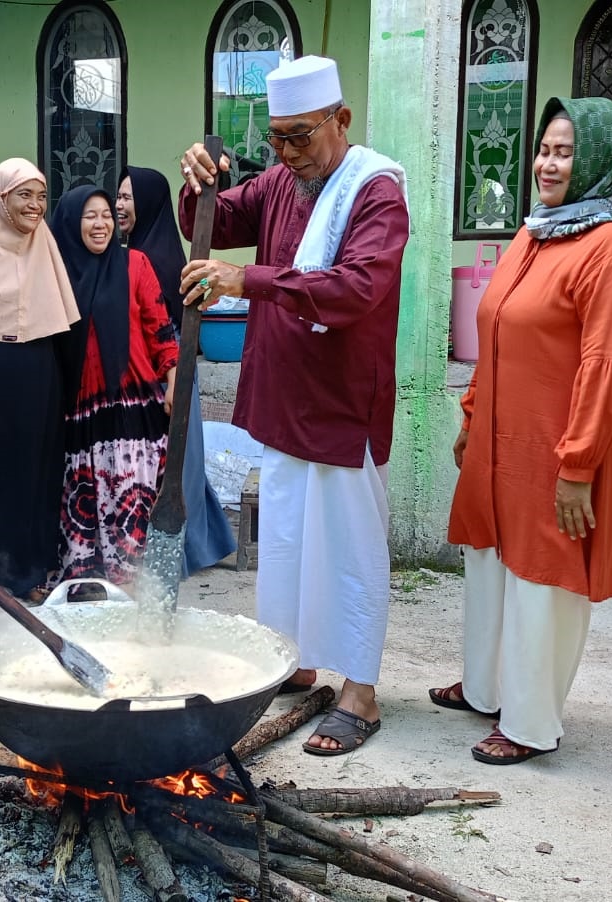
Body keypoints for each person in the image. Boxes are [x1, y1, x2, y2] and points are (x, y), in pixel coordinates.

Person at [176, 55, 409, 756]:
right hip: (283, 394)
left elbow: (355, 288)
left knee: (347, 547)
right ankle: (297, 661)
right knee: (284, 541)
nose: (285, 153)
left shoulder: (376, 192)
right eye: (276, 138)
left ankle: (360, 693)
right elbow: (213, 222)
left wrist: (247, 281)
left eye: (299, 137)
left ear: (341, 121)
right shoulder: (281, 181)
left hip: (340, 403)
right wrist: (198, 183)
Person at [437, 97, 612, 765]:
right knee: (490, 561)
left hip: (553, 447)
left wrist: (579, 464)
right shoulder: (537, 232)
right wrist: (473, 417)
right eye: (545, 149)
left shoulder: (611, 249)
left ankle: (531, 723)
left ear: (597, 160)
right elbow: (493, 330)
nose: (548, 163)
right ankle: (486, 688)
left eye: (565, 152)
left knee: (541, 577)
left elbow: (607, 365)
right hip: (500, 440)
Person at [0, 159, 78, 599]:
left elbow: (61, 321)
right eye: (24, 195)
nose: (35, 205)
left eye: (42, 196)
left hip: (40, 370)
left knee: (37, 469)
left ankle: (29, 572)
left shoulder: (44, 246)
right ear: (0, 197)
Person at [51, 186, 178, 584]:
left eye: (106, 214)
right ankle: (86, 585)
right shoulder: (57, 274)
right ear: (72, 222)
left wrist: (173, 381)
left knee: (132, 503)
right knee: (82, 502)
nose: (101, 223)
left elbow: (161, 330)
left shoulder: (135, 264)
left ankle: (132, 591)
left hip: (133, 413)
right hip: (79, 412)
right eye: (90, 215)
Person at [117, 166, 236, 576]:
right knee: (178, 457)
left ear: (147, 203)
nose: (119, 206)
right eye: (118, 197)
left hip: (167, 369)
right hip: (154, 367)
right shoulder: (142, 248)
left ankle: (177, 549)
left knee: (173, 458)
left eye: (128, 198)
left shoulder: (157, 258)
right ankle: (200, 544)